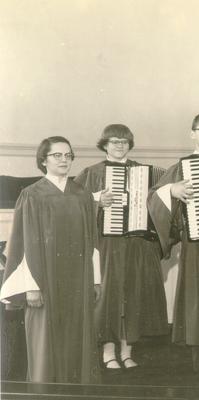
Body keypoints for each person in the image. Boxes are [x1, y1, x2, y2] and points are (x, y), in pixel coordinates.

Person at [0, 136, 101, 383]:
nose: (64, 160)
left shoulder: (82, 194)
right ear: (43, 160)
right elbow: (22, 245)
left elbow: (93, 241)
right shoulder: (32, 195)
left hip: (78, 281)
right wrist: (31, 287)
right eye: (57, 155)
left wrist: (95, 279)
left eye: (68, 155)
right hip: (43, 281)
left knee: (77, 339)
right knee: (45, 342)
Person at [75, 124, 168, 370]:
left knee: (133, 296)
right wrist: (96, 200)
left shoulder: (145, 172)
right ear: (104, 144)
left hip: (137, 244)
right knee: (109, 296)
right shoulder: (92, 173)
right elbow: (73, 205)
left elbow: (160, 204)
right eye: (114, 141)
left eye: (124, 142)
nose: (119, 145)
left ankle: (127, 351)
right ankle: (108, 351)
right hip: (107, 245)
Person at [147, 112, 199, 384]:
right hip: (198, 244)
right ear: (192, 133)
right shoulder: (182, 167)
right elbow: (152, 198)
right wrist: (170, 191)